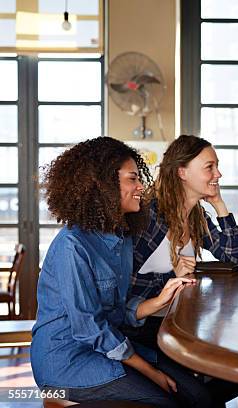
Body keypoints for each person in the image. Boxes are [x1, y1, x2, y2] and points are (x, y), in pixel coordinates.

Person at [31, 137, 211, 407]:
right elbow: (90, 329)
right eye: (132, 179)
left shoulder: (121, 237)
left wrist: (159, 300)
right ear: (103, 185)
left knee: (199, 396)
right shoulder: (72, 246)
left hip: (108, 349)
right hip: (66, 362)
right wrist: (150, 371)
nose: (141, 187)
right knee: (165, 401)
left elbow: (116, 311)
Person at [127, 134, 238, 403]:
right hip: (140, 333)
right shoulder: (148, 214)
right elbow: (122, 286)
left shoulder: (196, 215)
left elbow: (236, 256)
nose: (218, 173)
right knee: (200, 396)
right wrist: (173, 275)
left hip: (175, 326)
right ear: (182, 171)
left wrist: (218, 204)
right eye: (210, 167)